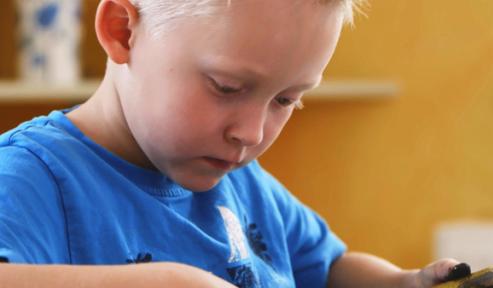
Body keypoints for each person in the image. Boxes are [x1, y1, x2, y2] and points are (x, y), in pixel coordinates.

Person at [0, 0, 462, 287]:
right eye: (226, 87)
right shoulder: (32, 176)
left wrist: (405, 283)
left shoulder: (244, 183)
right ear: (124, 31)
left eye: (286, 99)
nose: (253, 133)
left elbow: (329, 270)